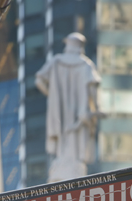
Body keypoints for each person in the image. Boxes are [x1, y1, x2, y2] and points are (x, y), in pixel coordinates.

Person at [35, 32, 101, 182]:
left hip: (60, 114)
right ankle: (70, 168)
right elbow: (93, 89)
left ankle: (64, 168)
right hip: (80, 116)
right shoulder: (86, 64)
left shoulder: (57, 61)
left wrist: (51, 96)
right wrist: (96, 108)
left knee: (63, 144)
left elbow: (39, 80)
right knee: (76, 147)